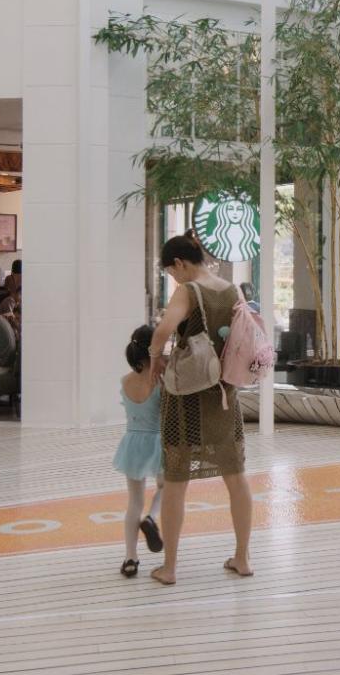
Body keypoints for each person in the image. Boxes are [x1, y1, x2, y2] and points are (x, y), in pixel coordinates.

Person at [147, 230, 253, 585]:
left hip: (187, 400)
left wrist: (155, 356)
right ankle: (242, 557)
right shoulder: (231, 289)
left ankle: (170, 568)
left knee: (176, 480)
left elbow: (164, 329)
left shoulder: (188, 291)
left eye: (170, 272)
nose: (173, 279)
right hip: (224, 393)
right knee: (236, 477)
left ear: (179, 263)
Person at [112, 325, 164, 578]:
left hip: (132, 442)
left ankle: (130, 558)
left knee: (134, 502)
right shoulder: (160, 381)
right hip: (158, 442)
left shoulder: (125, 381)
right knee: (166, 487)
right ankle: (152, 517)